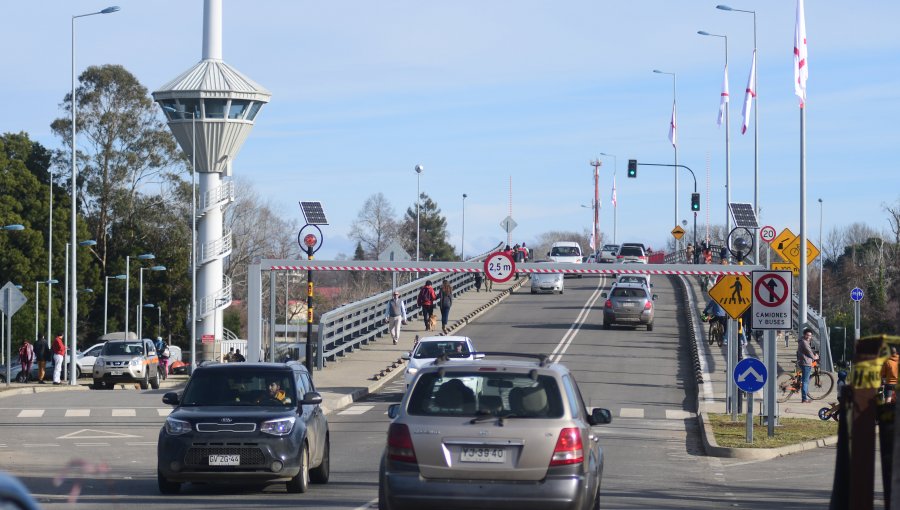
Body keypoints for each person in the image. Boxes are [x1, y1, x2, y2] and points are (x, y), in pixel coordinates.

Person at [797, 327, 819, 403]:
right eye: (807, 335)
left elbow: (809, 349)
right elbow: (809, 352)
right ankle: (804, 399)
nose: (809, 337)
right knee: (805, 381)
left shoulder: (802, 340)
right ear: (804, 335)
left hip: (801, 361)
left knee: (804, 379)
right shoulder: (804, 342)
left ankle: (799, 388)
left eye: (810, 335)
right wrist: (815, 357)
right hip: (805, 362)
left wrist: (813, 352)